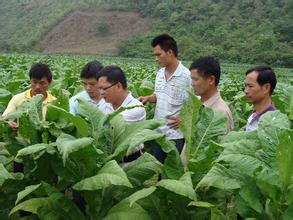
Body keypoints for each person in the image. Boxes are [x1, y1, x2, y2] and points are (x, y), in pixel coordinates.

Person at [138, 34, 191, 163]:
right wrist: (147, 98)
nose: (156, 59)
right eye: (154, 55)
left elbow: (196, 103)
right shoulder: (160, 73)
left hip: (175, 136)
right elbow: (159, 96)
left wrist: (184, 119)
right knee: (159, 171)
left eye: (158, 55)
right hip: (158, 134)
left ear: (170, 52)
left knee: (173, 172)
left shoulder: (186, 76)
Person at [98, 65, 146, 162]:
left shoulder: (136, 108)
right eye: (99, 89)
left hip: (131, 162)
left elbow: (110, 129)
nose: (101, 93)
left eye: (104, 89)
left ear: (118, 86)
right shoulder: (104, 103)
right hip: (109, 161)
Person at [2, 63, 56, 128]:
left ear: (49, 83)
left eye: (42, 83)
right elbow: (4, 118)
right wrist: (8, 123)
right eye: (34, 82)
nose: (37, 87)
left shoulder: (55, 103)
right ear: (30, 81)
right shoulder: (17, 98)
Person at [189, 56, 234, 131]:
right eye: (191, 79)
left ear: (211, 80)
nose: (192, 84)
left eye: (195, 79)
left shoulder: (220, 113)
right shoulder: (197, 105)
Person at [244, 65, 277, 131]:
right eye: (245, 86)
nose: (246, 91)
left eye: (250, 86)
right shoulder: (254, 114)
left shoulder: (272, 123)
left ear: (266, 88)